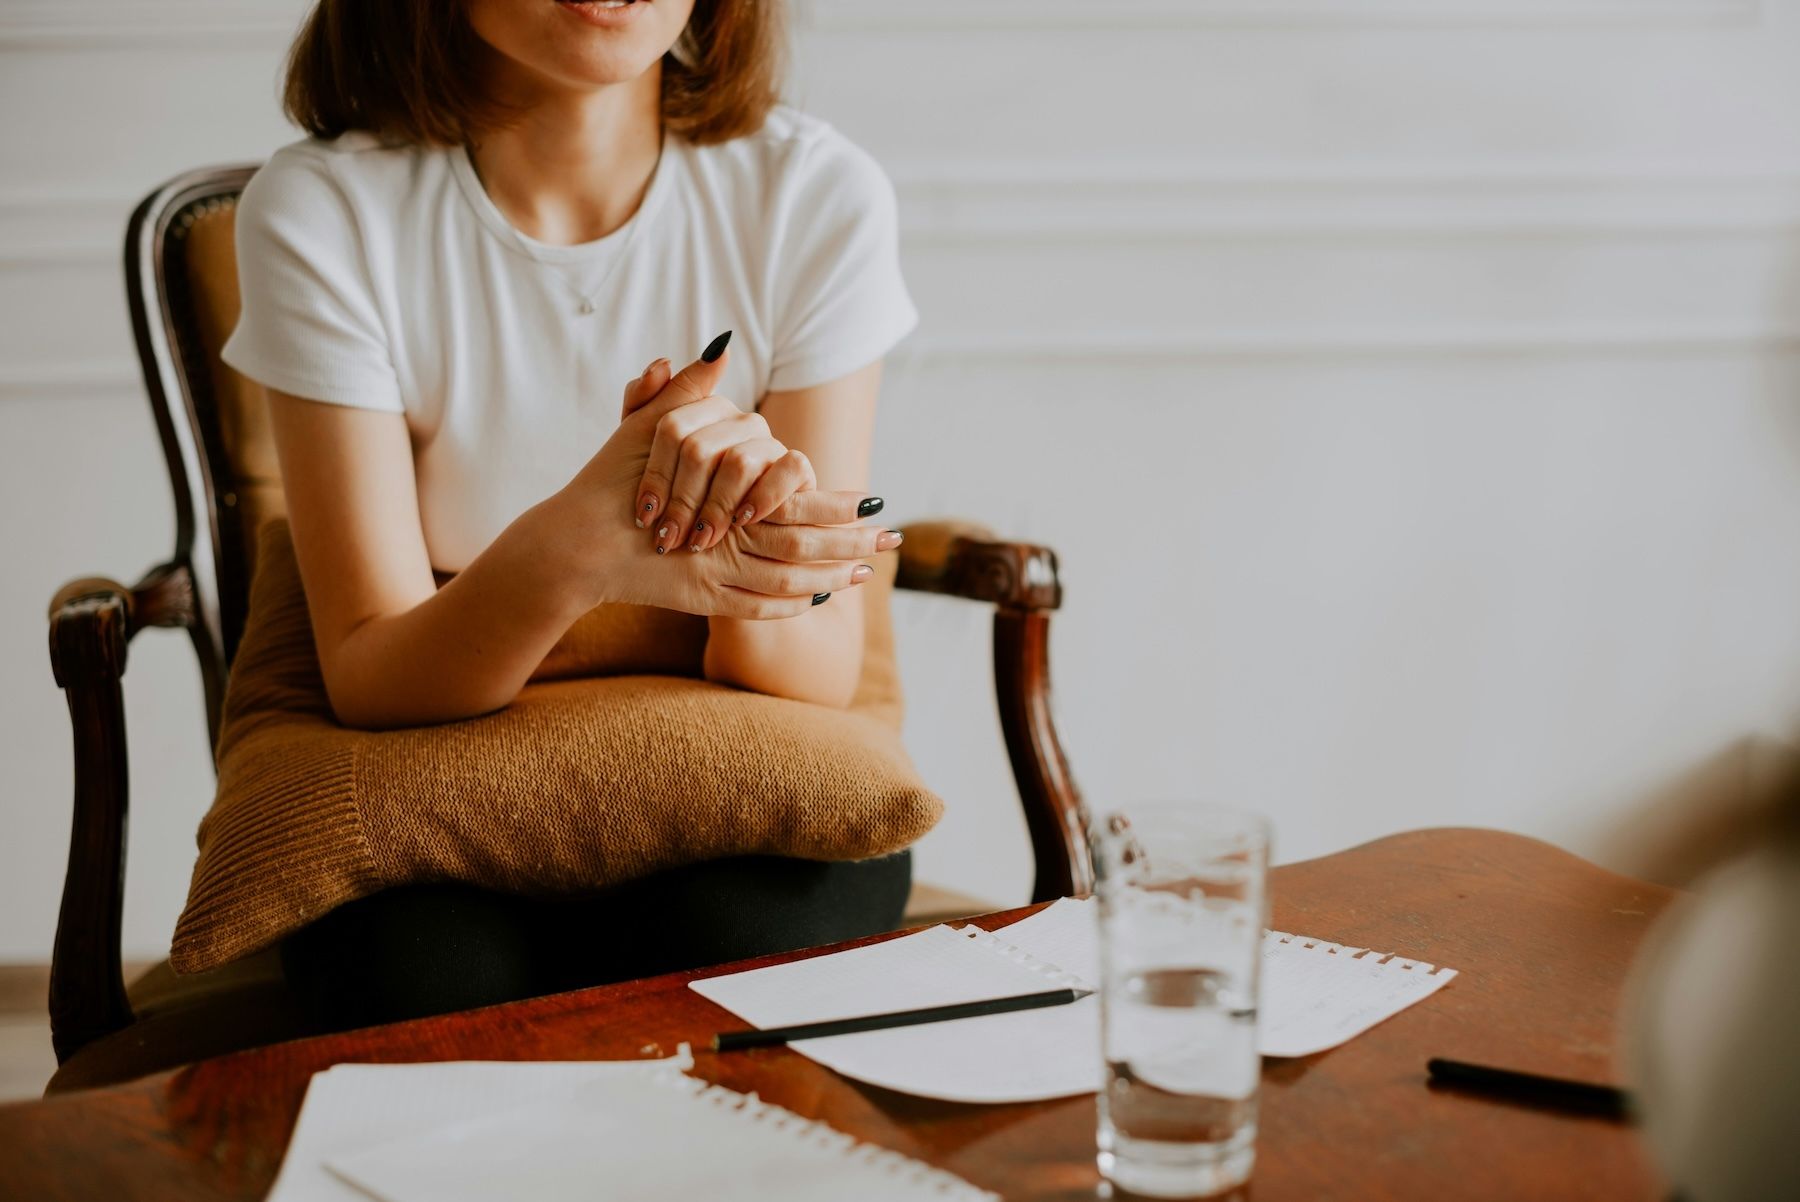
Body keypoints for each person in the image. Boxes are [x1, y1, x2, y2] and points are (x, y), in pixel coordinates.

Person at [220, 0, 919, 1028]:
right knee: (417, 978)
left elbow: (810, 672)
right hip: (434, 745)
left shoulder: (813, 193)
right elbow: (372, 671)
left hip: (736, 758)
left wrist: (727, 536)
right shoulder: (326, 207)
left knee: (746, 941)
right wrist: (577, 547)